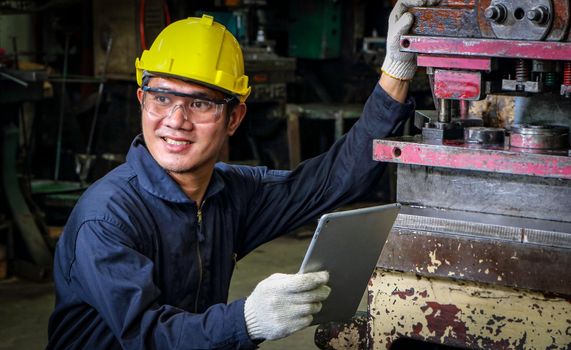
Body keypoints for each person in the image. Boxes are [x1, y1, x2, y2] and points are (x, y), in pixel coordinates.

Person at [47, 0, 436, 348]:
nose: (175, 121)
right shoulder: (107, 217)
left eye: (199, 102)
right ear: (141, 100)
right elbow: (148, 337)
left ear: (234, 117)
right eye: (161, 98)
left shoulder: (229, 194)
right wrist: (247, 321)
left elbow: (331, 181)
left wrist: (396, 72)